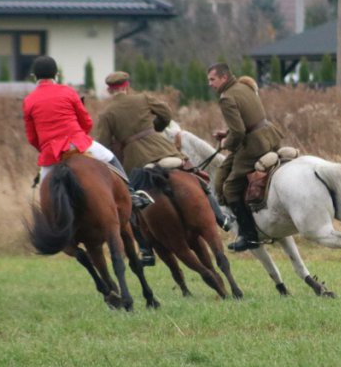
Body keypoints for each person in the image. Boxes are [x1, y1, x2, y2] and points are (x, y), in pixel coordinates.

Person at [94, 70, 235, 263]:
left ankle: (145, 249)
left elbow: (102, 144)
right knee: (196, 177)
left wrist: (118, 143)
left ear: (110, 90)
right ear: (127, 86)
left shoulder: (106, 113)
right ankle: (221, 218)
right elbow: (166, 113)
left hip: (137, 161)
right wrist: (156, 128)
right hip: (164, 150)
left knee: (131, 202)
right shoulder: (143, 98)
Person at [23, 56, 149, 209]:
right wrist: (79, 136)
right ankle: (131, 194)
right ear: (56, 74)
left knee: (45, 197)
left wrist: (47, 148)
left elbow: (32, 137)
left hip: (51, 152)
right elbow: (86, 122)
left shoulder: (29, 101)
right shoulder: (68, 91)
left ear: (34, 76)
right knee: (111, 158)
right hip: (78, 143)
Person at [207, 62, 284, 251]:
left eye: (212, 79)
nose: (210, 83)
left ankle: (248, 236)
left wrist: (227, 144)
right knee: (224, 170)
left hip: (253, 145)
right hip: (269, 135)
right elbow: (245, 122)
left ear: (224, 78)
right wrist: (227, 134)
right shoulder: (244, 86)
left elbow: (239, 132)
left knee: (231, 187)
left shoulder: (226, 98)